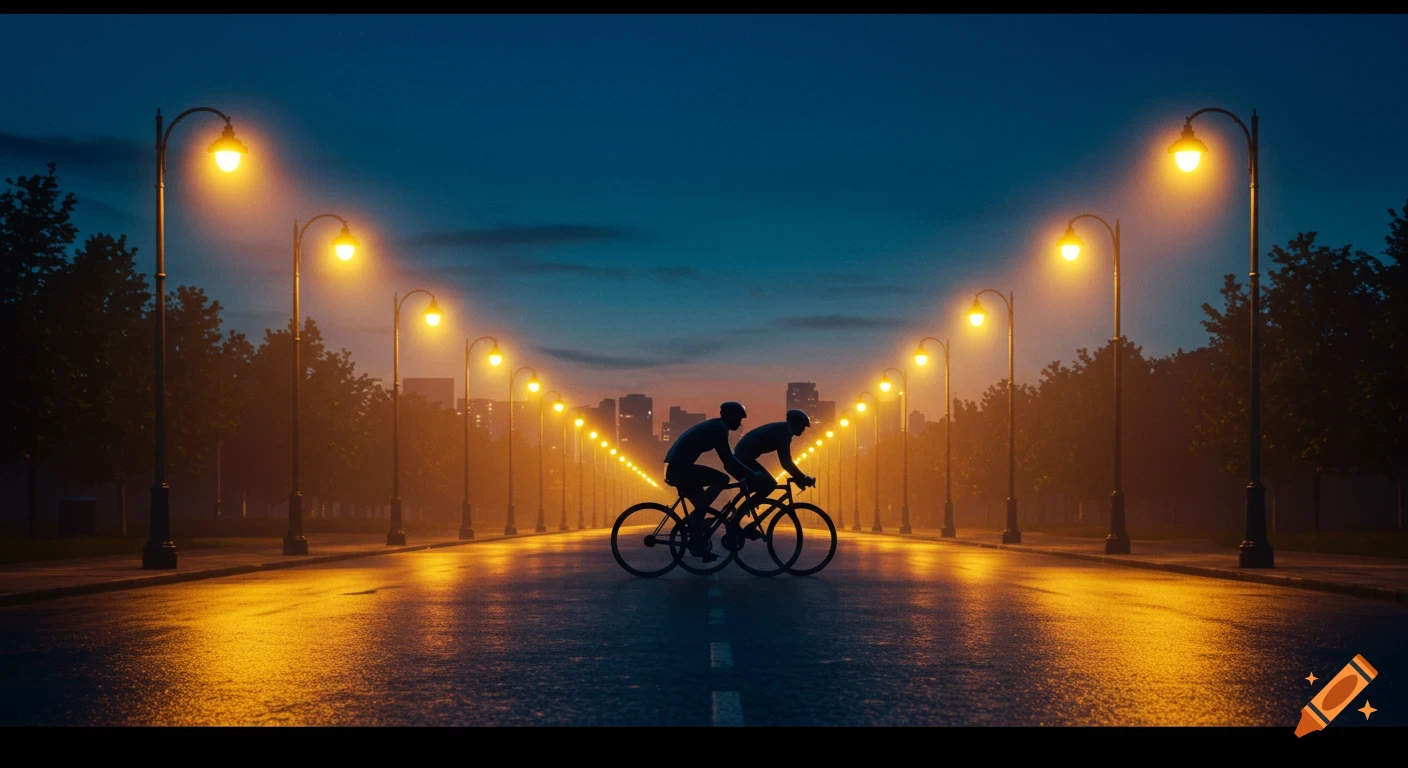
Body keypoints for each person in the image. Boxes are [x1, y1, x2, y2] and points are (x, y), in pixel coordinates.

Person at [663, 401, 762, 561]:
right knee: (721, 479)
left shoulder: (716, 426)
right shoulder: (718, 430)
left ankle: (698, 546)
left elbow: (728, 461)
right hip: (679, 470)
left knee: (701, 509)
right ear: (729, 417)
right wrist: (751, 475)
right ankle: (699, 517)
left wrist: (745, 475)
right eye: (738, 419)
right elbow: (728, 460)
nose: (740, 423)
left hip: (676, 469)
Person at [731, 409, 816, 538]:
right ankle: (734, 522)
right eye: (802, 426)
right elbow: (786, 462)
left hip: (742, 458)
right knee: (769, 484)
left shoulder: (782, 429)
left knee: (767, 484)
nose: (803, 430)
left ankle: (740, 517)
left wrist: (799, 478)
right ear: (794, 423)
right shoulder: (784, 432)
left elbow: (785, 462)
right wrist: (801, 477)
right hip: (741, 460)